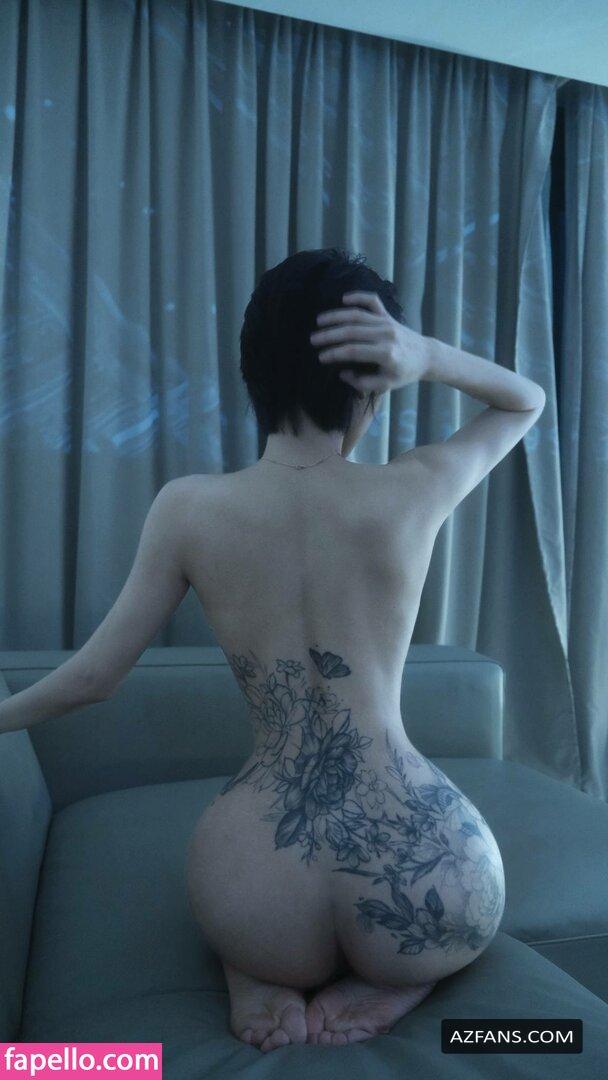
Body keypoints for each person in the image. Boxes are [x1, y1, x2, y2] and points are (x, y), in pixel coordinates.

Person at [0, 248, 546, 1053]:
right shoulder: (413, 487)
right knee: (468, 953)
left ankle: (258, 974)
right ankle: (395, 978)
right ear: (375, 383)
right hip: (434, 875)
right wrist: (430, 356)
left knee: (252, 930)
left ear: (250, 374)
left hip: (257, 897)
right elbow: (525, 400)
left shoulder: (189, 508)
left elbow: (92, 677)